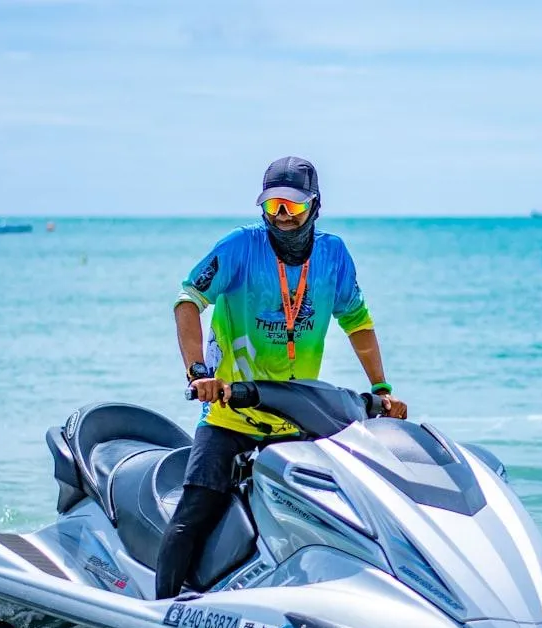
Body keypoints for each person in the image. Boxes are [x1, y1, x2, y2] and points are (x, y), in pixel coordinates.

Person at [154, 156, 407, 600]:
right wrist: (198, 373)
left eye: (293, 206)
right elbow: (188, 300)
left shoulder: (333, 255)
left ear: (315, 206)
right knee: (193, 514)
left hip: (295, 419)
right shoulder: (240, 247)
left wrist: (381, 389)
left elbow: (358, 322)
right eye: (273, 207)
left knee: (343, 513)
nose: (283, 217)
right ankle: (162, 612)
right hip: (230, 414)